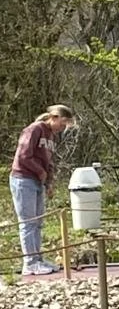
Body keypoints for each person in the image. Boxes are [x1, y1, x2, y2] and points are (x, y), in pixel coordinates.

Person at [10, 105, 75, 277]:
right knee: (28, 222)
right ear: (53, 117)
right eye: (62, 123)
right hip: (23, 179)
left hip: (38, 182)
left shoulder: (51, 136)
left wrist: (49, 182)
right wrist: (40, 172)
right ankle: (29, 263)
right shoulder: (35, 129)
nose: (63, 128)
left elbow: (48, 162)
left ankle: (38, 259)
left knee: (38, 223)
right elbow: (24, 156)